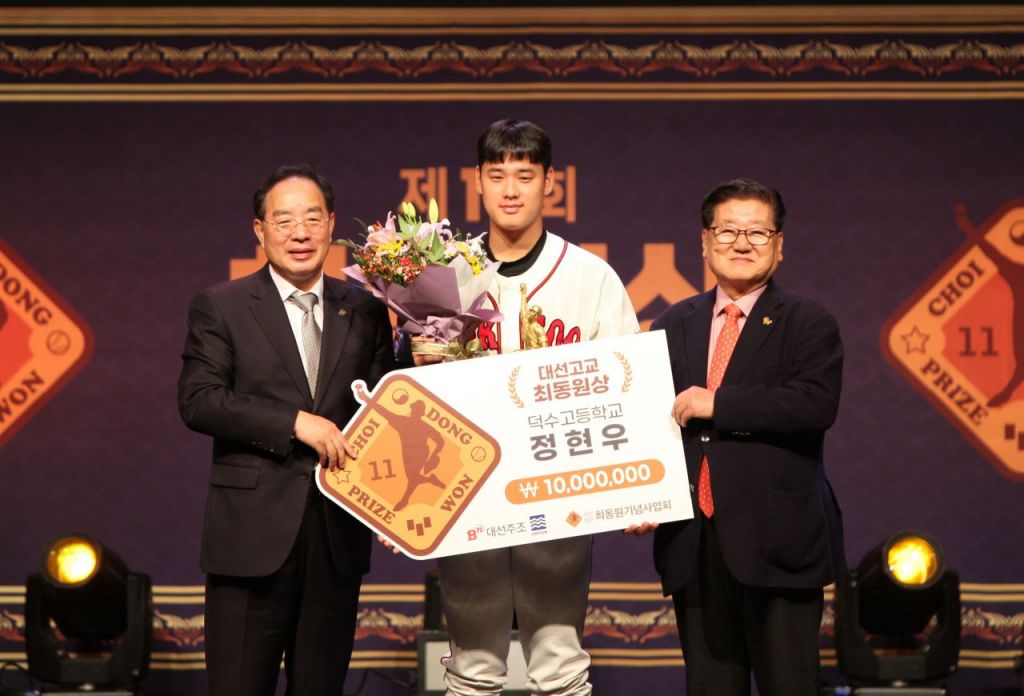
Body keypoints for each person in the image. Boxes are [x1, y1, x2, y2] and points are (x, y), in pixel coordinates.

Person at [417, 118, 639, 696]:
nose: (511, 189)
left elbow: (630, 389)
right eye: (497, 176)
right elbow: (414, 404)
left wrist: (637, 490)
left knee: (559, 664)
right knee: (472, 668)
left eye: (525, 174)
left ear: (549, 182)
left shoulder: (590, 277)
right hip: (469, 493)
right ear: (477, 183)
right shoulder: (444, 276)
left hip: (558, 491)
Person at [178, 165, 401, 696]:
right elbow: (199, 400)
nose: (300, 233)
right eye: (284, 221)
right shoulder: (223, 306)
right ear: (260, 230)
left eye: (312, 219)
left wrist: (395, 500)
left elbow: (382, 416)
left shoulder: (365, 310)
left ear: (331, 225)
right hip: (250, 541)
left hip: (336, 538)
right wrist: (294, 422)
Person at [627, 178, 845, 696]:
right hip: (694, 544)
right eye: (727, 231)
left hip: (777, 543)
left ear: (779, 244)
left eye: (757, 232)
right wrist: (640, 493)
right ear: (704, 241)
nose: (742, 243)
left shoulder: (807, 321)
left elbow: (814, 404)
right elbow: (649, 421)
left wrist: (718, 403)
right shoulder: (673, 322)